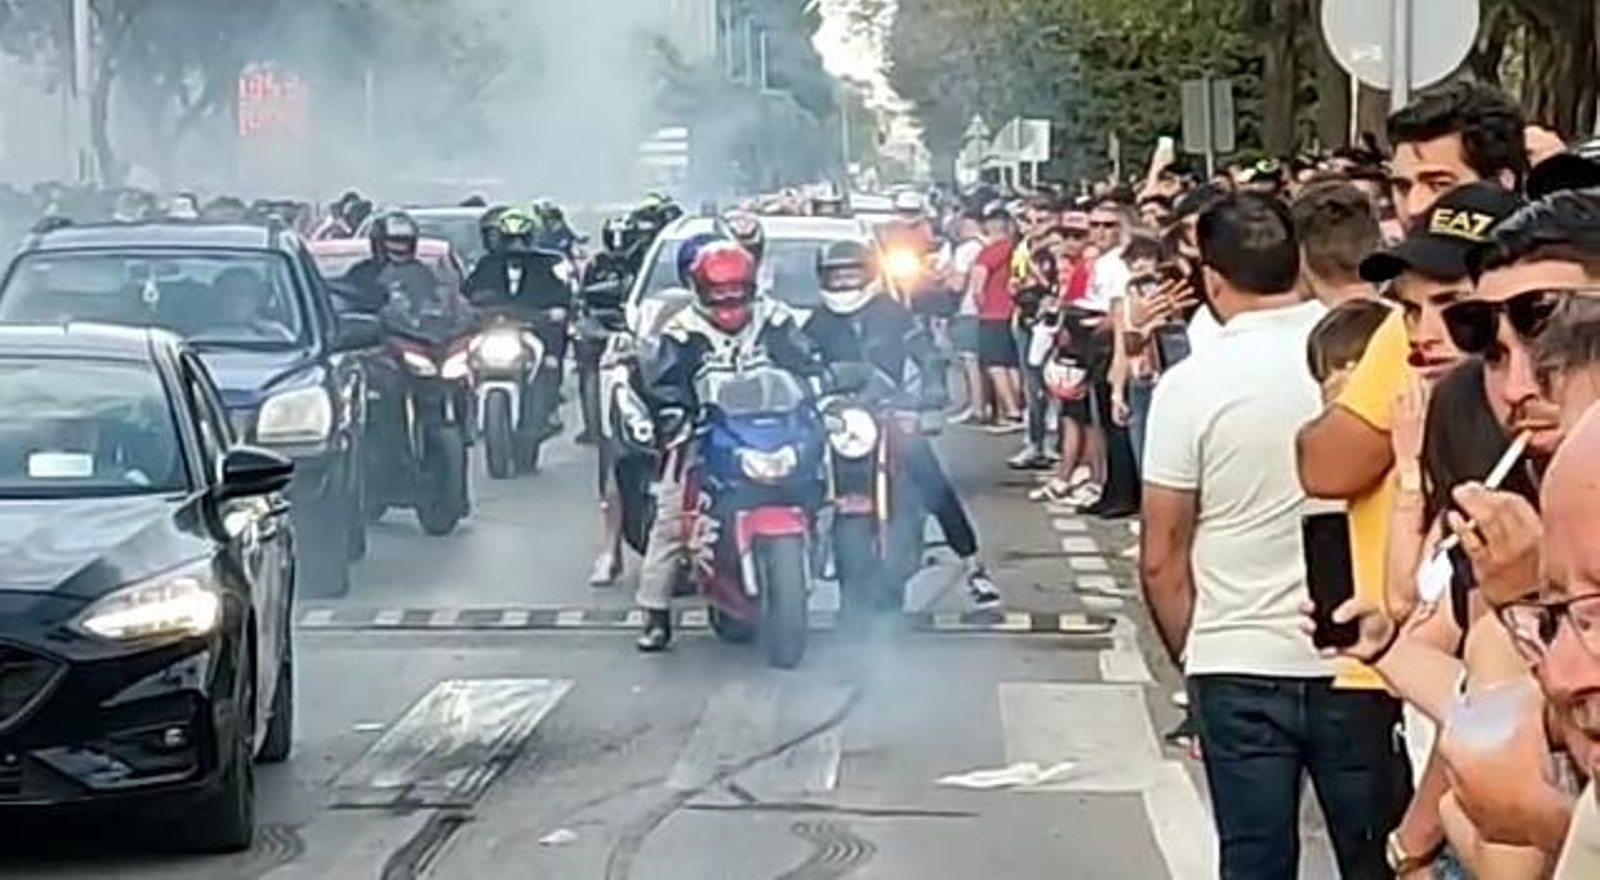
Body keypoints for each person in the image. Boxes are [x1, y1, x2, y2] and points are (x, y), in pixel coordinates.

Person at [1141, 192, 1409, 877]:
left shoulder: (1189, 385)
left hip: (1237, 659)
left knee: (1254, 861)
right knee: (1378, 857)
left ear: (1211, 278)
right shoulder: (1368, 352)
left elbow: (1161, 557)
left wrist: (1197, 657)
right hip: (1361, 657)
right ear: (1297, 262)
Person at [632, 241, 828, 652]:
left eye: (737, 291)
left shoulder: (774, 317)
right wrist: (674, 413)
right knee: (672, 519)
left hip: (772, 424)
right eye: (717, 293)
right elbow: (663, 382)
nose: (728, 301)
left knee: (833, 483)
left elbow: (804, 359)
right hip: (708, 429)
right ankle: (655, 614)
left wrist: (821, 383)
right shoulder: (681, 330)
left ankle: (857, 590)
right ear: (698, 288)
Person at [800, 240, 1001, 608]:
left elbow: (925, 352)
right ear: (823, 278)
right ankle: (791, 559)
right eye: (837, 274)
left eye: (852, 273)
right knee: (793, 473)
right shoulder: (816, 322)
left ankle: (973, 564)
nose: (845, 281)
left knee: (929, 478)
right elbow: (795, 364)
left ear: (870, 273)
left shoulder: (892, 313)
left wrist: (933, 386)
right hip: (837, 421)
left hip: (887, 411)